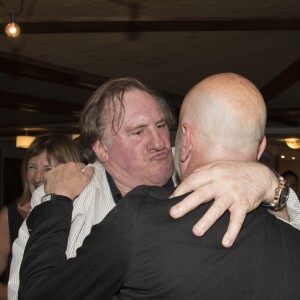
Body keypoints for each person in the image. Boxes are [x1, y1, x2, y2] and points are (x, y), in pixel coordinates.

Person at [11, 77, 300, 298]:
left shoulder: (231, 182)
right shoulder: (57, 200)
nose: (160, 142)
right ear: (101, 148)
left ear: (183, 138)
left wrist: (272, 185)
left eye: (161, 126)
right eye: (138, 132)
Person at [0, 133, 81, 300]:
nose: (37, 177)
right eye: (32, 167)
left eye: (47, 168)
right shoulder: (9, 216)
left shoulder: (82, 214)